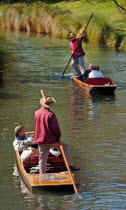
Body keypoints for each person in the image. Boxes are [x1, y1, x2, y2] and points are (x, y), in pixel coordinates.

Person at [34, 95, 80, 174]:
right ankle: (70, 165)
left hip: (40, 139)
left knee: (42, 159)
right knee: (66, 146)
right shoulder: (51, 114)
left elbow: (36, 125)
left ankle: (42, 175)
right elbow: (55, 128)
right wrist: (58, 136)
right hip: (51, 140)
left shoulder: (36, 113)